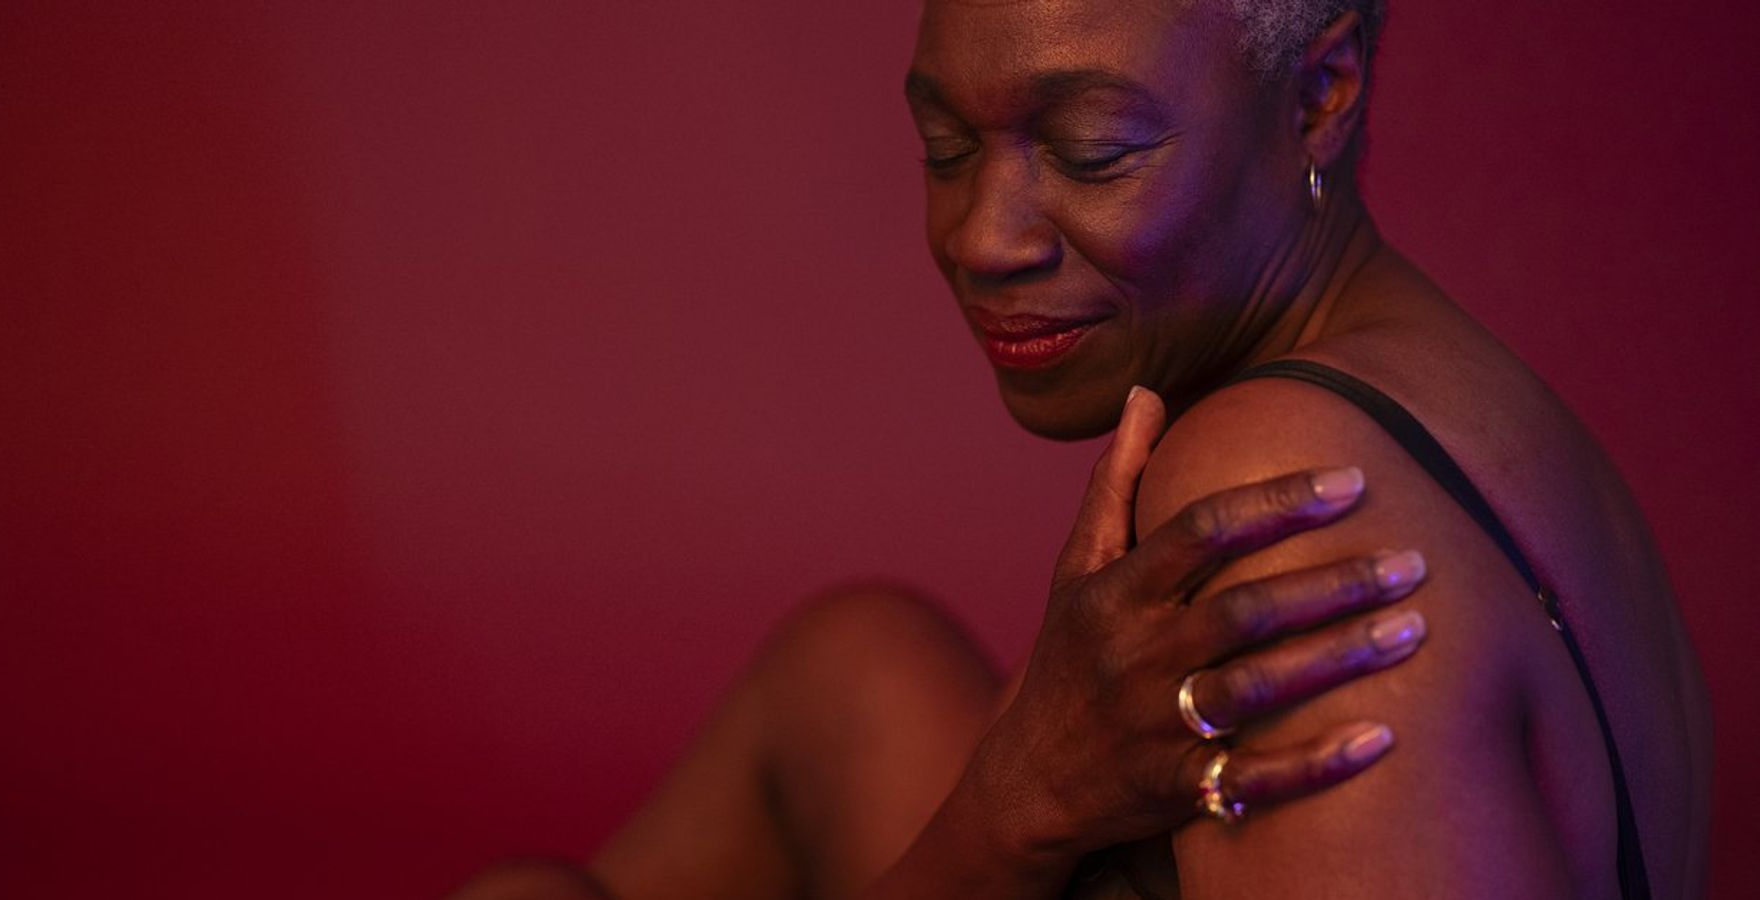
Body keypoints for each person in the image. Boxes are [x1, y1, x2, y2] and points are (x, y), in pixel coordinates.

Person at [456, 0, 1711, 897]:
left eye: (1092, 150)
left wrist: (1005, 822)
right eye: (944, 148)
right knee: (853, 666)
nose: (982, 238)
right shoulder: (1466, 390)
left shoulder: (1283, 494)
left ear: (1320, 94)